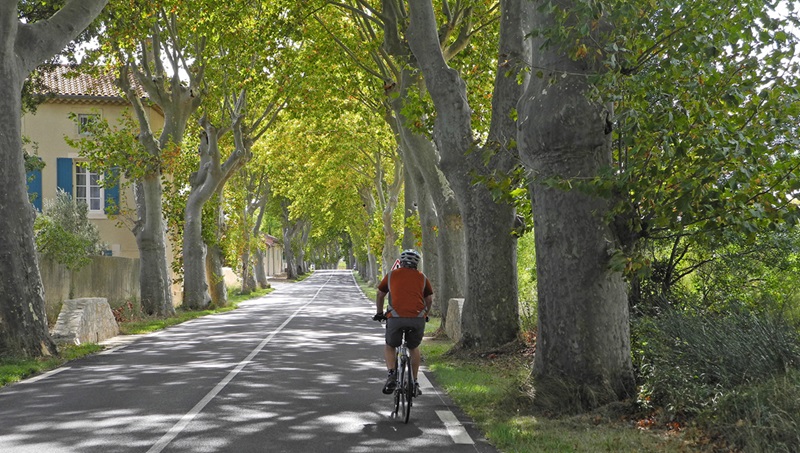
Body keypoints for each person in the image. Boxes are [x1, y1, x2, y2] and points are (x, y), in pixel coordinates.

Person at [372, 249, 433, 396]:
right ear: (416, 264)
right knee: (414, 347)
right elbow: (429, 299)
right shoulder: (422, 277)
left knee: (390, 345)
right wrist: (425, 314)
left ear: (401, 262)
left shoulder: (392, 275)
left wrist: (379, 313)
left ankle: (392, 374)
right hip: (418, 318)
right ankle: (415, 381)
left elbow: (380, 294)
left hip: (396, 318)